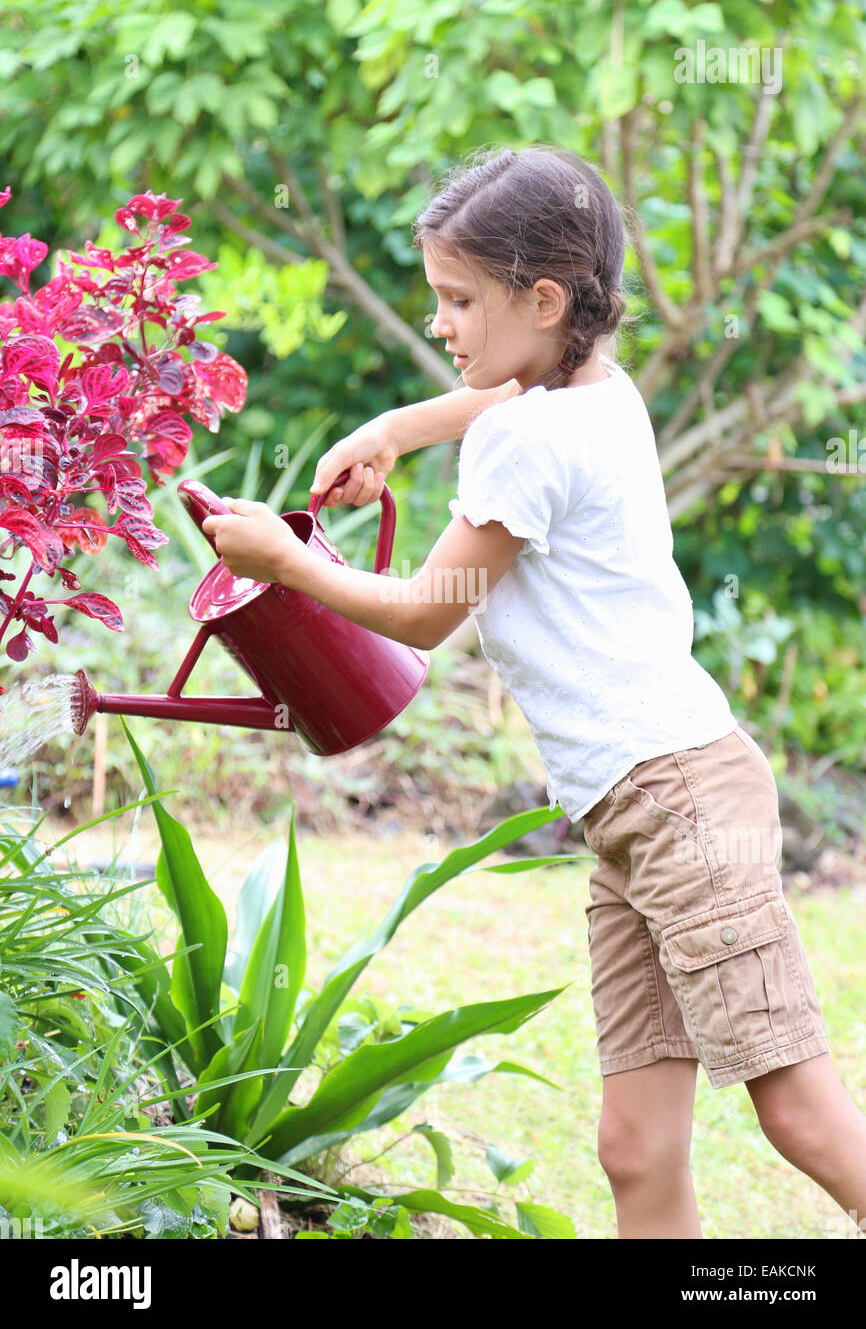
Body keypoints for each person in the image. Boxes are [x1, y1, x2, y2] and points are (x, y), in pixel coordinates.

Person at [202, 144, 866, 1240]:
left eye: (458, 300)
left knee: (792, 1108)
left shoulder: (522, 440)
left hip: (675, 802)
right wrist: (391, 430)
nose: (441, 326)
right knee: (633, 1145)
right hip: (639, 805)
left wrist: (283, 563)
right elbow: (501, 402)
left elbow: (427, 609)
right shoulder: (598, 391)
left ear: (541, 297)